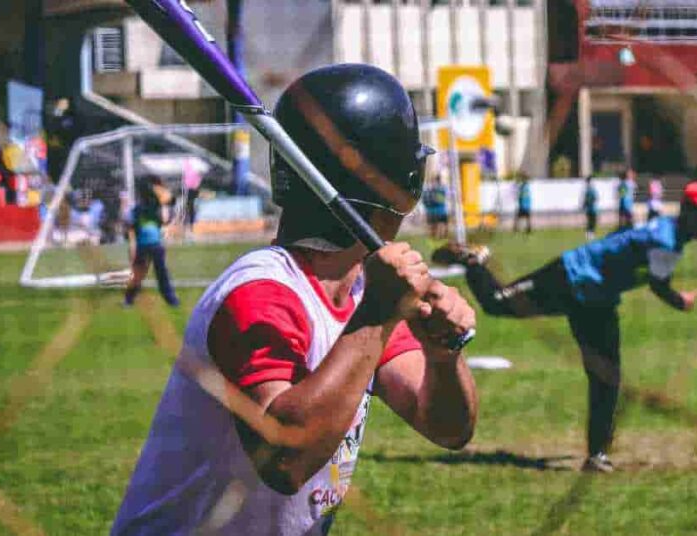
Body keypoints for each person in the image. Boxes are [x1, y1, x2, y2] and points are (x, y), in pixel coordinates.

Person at [112, 65, 479, 535]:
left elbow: (447, 428)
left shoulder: (365, 295)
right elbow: (285, 458)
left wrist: (443, 354)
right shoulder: (261, 295)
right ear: (400, 182)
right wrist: (376, 318)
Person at [431, 181, 697, 473]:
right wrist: (681, 301)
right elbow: (659, 285)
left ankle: (598, 454)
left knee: (607, 377)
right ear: (686, 211)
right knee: (496, 302)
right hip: (568, 278)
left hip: (598, 299)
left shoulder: (667, 232)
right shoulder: (666, 242)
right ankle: (475, 262)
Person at [123, 176, 179, 307]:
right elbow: (131, 231)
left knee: (162, 274)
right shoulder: (137, 210)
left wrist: (158, 187)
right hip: (142, 246)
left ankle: (171, 299)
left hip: (156, 245)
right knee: (137, 274)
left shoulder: (157, 207)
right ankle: (129, 299)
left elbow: (171, 200)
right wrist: (132, 248)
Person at [582, 176, 598, 240]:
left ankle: (590, 233)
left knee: (591, 221)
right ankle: (590, 233)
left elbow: (594, 198)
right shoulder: (589, 190)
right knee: (591, 221)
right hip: (591, 208)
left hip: (591, 208)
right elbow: (594, 198)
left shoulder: (589, 189)